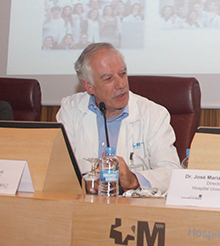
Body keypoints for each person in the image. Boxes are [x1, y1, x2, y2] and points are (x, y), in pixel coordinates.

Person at [57, 43, 181, 192]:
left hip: (132, 210)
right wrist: (86, 182)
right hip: (81, 206)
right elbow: (58, 169)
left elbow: (172, 174)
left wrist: (133, 180)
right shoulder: (71, 110)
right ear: (89, 86)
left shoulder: (153, 114)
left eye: (122, 74)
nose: (121, 84)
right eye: (108, 78)